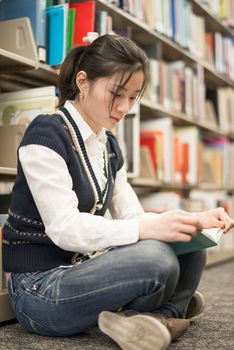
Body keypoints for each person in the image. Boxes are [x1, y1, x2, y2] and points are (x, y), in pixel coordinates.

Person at [2, 34, 233, 350]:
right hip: (38, 289)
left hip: (82, 271)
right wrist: (148, 229)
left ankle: (155, 317)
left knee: (190, 246)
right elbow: (64, 228)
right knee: (156, 259)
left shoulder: (108, 146)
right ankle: (161, 312)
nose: (124, 107)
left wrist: (193, 221)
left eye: (133, 96)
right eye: (117, 93)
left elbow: (133, 217)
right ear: (83, 82)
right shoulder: (45, 133)